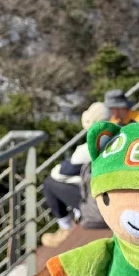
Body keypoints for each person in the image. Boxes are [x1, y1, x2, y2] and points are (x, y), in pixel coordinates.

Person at [40, 101, 109, 247]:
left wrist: (59, 167)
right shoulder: (116, 135)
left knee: (49, 184)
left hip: (97, 205)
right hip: (114, 196)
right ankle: (74, 217)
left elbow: (63, 172)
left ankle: (66, 227)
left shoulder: (89, 147)